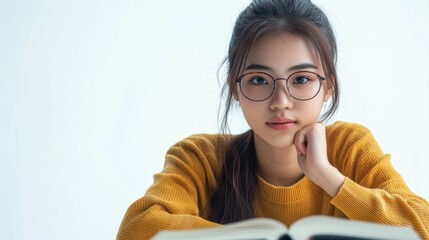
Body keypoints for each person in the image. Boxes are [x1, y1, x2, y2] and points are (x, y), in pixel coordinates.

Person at [116, 0, 429, 239]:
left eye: (302, 79)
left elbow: (422, 226)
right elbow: (137, 229)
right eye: (259, 80)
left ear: (328, 85)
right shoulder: (199, 159)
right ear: (235, 89)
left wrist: (329, 179)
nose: (280, 102)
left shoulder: (351, 148)